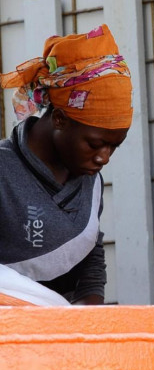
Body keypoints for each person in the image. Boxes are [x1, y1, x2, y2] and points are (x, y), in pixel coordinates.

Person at [0, 24, 132, 305]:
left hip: (63, 334)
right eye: (95, 144)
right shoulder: (4, 173)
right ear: (59, 119)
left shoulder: (89, 179)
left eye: (114, 146)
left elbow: (89, 249)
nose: (104, 158)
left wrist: (89, 310)